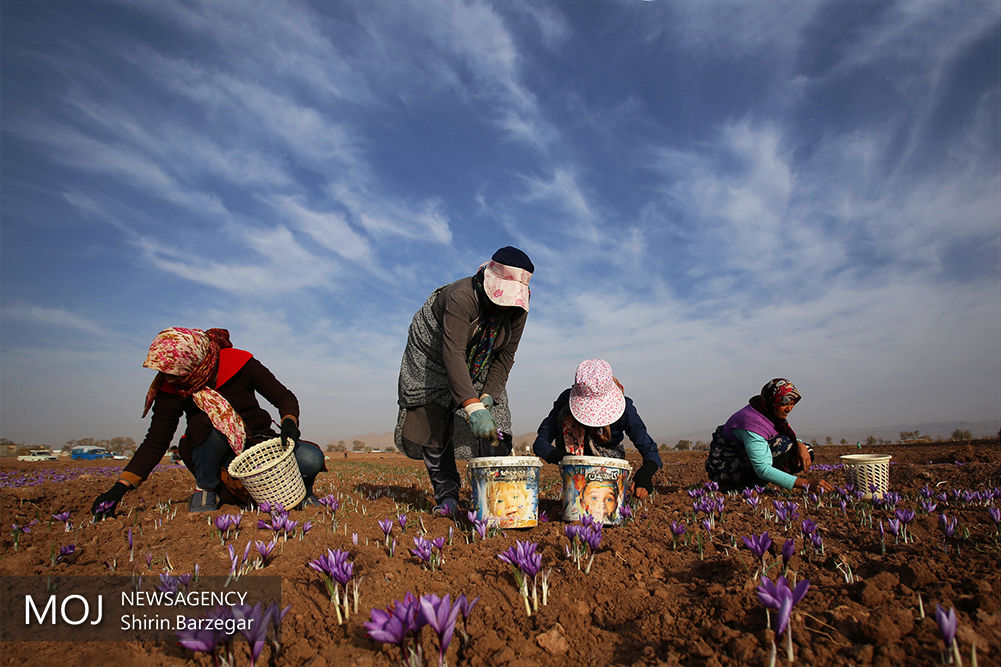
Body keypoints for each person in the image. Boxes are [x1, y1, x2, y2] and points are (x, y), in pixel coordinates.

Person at [91, 327, 325, 516]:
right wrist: (120, 487)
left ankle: (297, 491)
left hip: (258, 444)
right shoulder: (172, 385)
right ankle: (207, 488)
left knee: (310, 458)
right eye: (165, 373)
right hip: (213, 454)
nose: (169, 378)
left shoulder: (238, 363)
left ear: (193, 359)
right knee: (210, 422)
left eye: (174, 372)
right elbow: (156, 440)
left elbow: (284, 397)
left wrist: (289, 422)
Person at [395, 247, 533, 516]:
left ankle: (495, 497)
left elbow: (505, 357)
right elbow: (453, 353)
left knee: (497, 425)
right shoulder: (461, 297)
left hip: (483, 350)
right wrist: (471, 406)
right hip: (434, 351)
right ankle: (447, 495)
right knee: (432, 416)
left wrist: (488, 396)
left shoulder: (519, 309)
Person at [533, 359, 661, 500]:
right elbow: (540, 443)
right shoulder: (565, 402)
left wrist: (645, 473)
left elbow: (650, 450)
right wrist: (565, 459)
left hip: (610, 465)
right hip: (574, 468)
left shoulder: (625, 409)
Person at [705, 378, 834, 492]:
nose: (789, 408)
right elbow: (762, 469)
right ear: (773, 401)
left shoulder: (768, 413)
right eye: (784, 404)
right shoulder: (752, 422)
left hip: (742, 460)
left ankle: (755, 484)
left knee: (805, 450)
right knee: (783, 446)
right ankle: (745, 487)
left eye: (792, 403)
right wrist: (807, 484)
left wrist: (799, 444)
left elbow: (787, 437)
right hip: (724, 472)